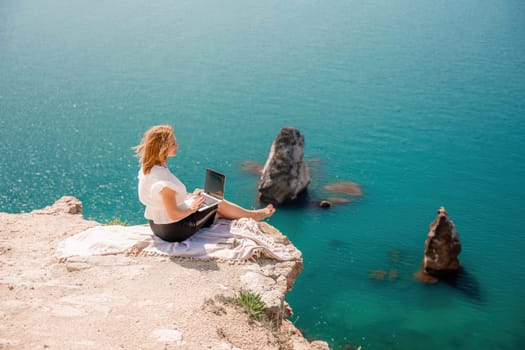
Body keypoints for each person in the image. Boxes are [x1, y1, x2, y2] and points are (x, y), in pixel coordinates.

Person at [134, 124, 275, 243]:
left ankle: (247, 214)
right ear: (161, 148)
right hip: (174, 231)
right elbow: (174, 215)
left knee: (205, 199)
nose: (177, 145)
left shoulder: (150, 169)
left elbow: (164, 201)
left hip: (157, 225)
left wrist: (189, 197)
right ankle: (254, 215)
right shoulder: (163, 182)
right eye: (173, 144)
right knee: (217, 203)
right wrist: (192, 208)